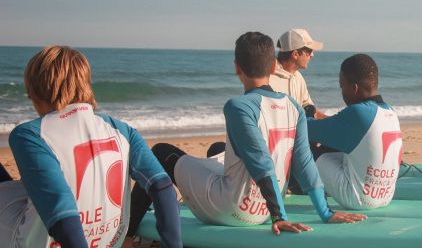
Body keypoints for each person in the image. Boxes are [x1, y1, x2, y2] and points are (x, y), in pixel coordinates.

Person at [0, 46, 193, 248]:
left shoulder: (29, 135)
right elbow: (161, 187)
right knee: (32, 188)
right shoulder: (121, 129)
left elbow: (59, 204)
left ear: (35, 91)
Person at [127, 32, 366, 236]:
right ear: (273, 67)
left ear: (236, 68)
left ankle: (128, 234)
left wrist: (279, 218)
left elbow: (261, 162)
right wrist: (325, 213)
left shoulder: (238, 106)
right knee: (214, 158)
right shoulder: (294, 108)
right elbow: (304, 164)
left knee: (160, 152)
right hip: (265, 208)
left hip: (235, 208)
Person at [306, 54, 402, 209]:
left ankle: (295, 186)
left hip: (358, 199)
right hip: (385, 196)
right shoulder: (390, 112)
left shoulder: (358, 113)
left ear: (354, 88)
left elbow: (307, 129)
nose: (342, 91)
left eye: (342, 86)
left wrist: (308, 111)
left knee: (306, 147)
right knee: (332, 146)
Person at [270, 28, 326, 119]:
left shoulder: (298, 77)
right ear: (295, 54)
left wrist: (337, 122)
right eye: (309, 51)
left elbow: (310, 108)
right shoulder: (268, 77)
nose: (312, 55)